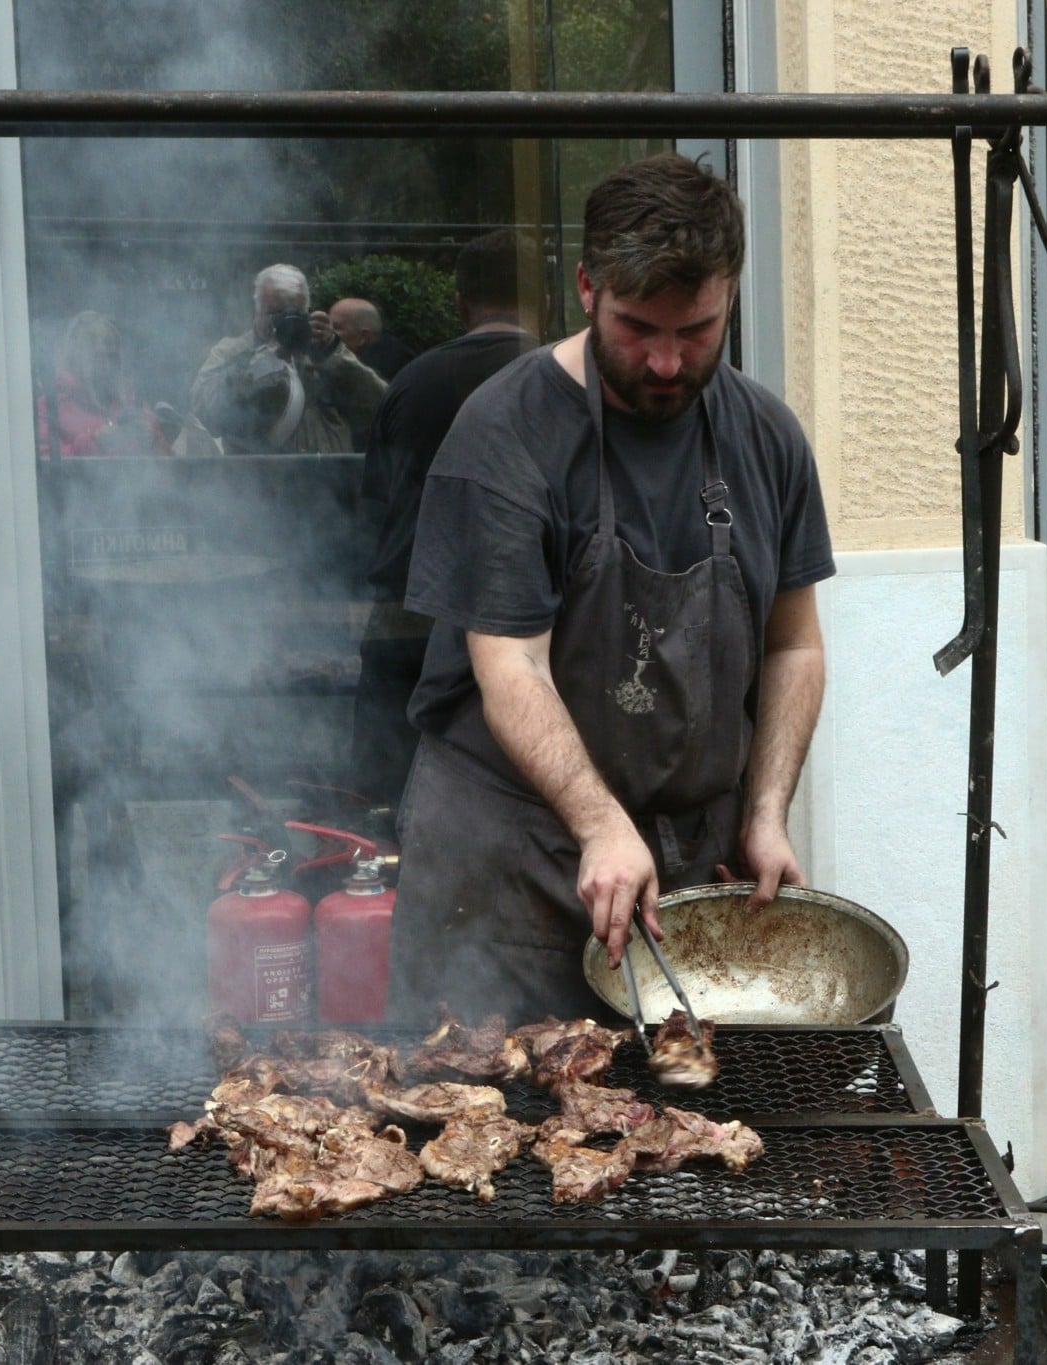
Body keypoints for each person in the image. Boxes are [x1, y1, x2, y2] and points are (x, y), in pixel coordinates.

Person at [387, 155, 834, 1022]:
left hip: (683, 880)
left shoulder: (768, 437)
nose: (667, 363)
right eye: (639, 329)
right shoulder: (505, 434)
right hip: (513, 875)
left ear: (730, 295)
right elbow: (509, 664)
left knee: (674, 1140)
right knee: (490, 1133)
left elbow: (795, 643)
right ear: (587, 287)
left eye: (697, 331)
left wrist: (768, 810)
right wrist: (598, 823)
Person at [354, 230, 539, 806]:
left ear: (460, 305)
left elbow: (377, 506)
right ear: (550, 301)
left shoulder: (410, 382)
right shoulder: (564, 385)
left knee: (386, 801)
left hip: (410, 619)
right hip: (533, 637)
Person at [191, 264, 387, 454]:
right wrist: (257, 363)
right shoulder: (231, 351)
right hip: (254, 478)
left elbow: (382, 410)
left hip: (325, 477)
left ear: (307, 312)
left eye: (294, 314)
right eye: (274, 313)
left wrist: (333, 354)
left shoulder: (322, 354)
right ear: (257, 309)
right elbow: (204, 411)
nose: (284, 322)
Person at [39, 310, 171, 458]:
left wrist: (153, 440)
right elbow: (44, 469)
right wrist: (95, 442)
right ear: (77, 359)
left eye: (112, 357)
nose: (108, 366)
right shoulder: (52, 406)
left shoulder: (131, 401)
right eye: (98, 358)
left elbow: (169, 468)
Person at [331, 296, 417, 382]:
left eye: (337, 328)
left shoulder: (390, 366)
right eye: (328, 324)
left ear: (362, 337)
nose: (329, 331)